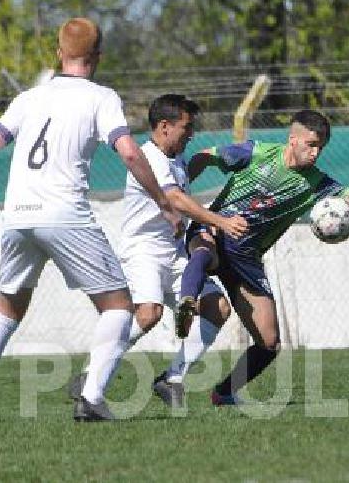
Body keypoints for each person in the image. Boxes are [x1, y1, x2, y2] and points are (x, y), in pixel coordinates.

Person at [0, 17, 226, 423]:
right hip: (64, 213)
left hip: (18, 214)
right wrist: (163, 202)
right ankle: (92, 396)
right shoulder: (100, 97)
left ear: (59, 53)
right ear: (97, 57)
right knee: (119, 306)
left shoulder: (28, 98)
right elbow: (130, 152)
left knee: (5, 312)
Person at [174, 109, 349, 406]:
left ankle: (224, 393)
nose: (315, 152)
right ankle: (187, 301)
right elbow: (205, 155)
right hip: (217, 228)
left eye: (320, 147)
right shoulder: (256, 152)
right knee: (204, 249)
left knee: (269, 344)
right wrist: (177, 193)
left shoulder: (316, 183)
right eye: (310, 144)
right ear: (292, 140)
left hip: (247, 257)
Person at [62, 94, 247, 409]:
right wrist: (222, 222)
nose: (191, 133)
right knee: (149, 314)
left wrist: (218, 157)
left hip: (175, 254)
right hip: (143, 251)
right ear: (164, 126)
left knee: (217, 308)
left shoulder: (174, 159)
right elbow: (175, 200)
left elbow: (187, 174)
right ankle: (92, 375)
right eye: (187, 127)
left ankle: (171, 378)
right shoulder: (149, 157)